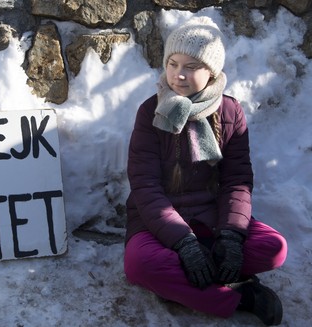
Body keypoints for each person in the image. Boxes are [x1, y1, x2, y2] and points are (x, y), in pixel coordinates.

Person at [123, 16, 288, 326]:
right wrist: (183, 242)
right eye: (172, 64)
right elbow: (145, 186)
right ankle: (242, 295)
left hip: (212, 218)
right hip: (158, 224)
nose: (178, 75)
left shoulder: (230, 111)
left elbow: (236, 180)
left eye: (191, 67)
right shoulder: (151, 112)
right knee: (139, 266)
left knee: (274, 248)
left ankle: (183, 282)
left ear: (212, 73)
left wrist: (231, 236)